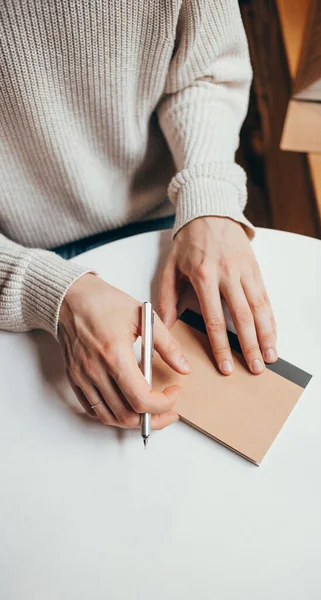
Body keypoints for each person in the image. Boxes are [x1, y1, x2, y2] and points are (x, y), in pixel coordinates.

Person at [0, 1, 277, 430]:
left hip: (173, 214)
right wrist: (49, 291)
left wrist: (206, 198)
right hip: (18, 256)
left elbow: (206, 70)